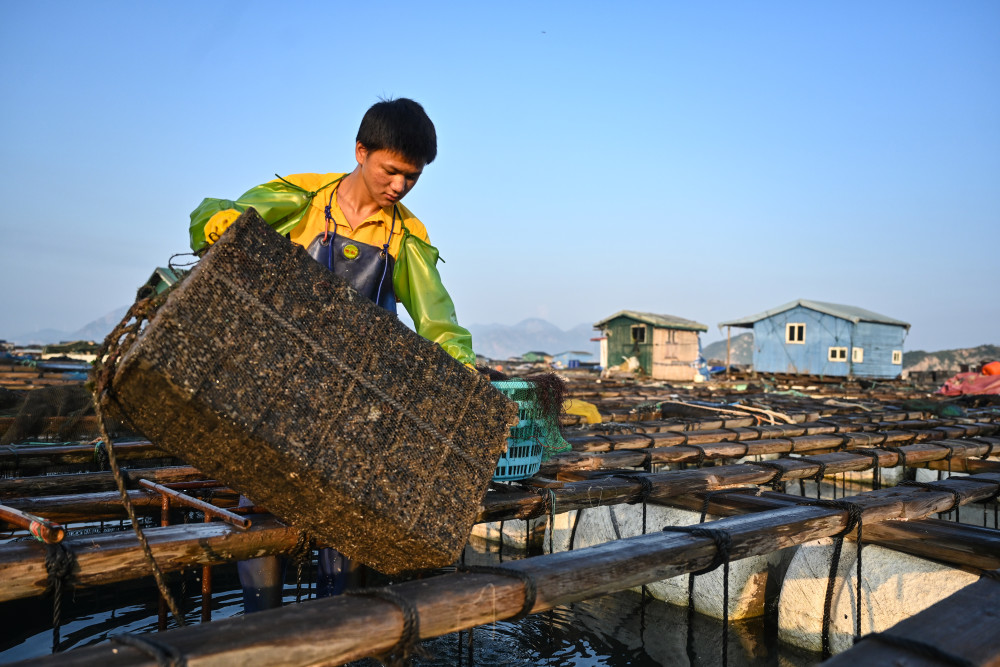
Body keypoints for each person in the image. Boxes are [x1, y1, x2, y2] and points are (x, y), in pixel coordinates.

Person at [188, 97, 475, 611]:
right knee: (262, 498)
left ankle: (334, 629)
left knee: (343, 518)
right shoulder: (300, 196)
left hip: (352, 403)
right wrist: (222, 225)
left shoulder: (407, 235)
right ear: (361, 151)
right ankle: (259, 626)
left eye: (412, 177)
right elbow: (210, 215)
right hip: (276, 386)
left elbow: (438, 320)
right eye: (391, 171)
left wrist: (462, 365)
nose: (400, 186)